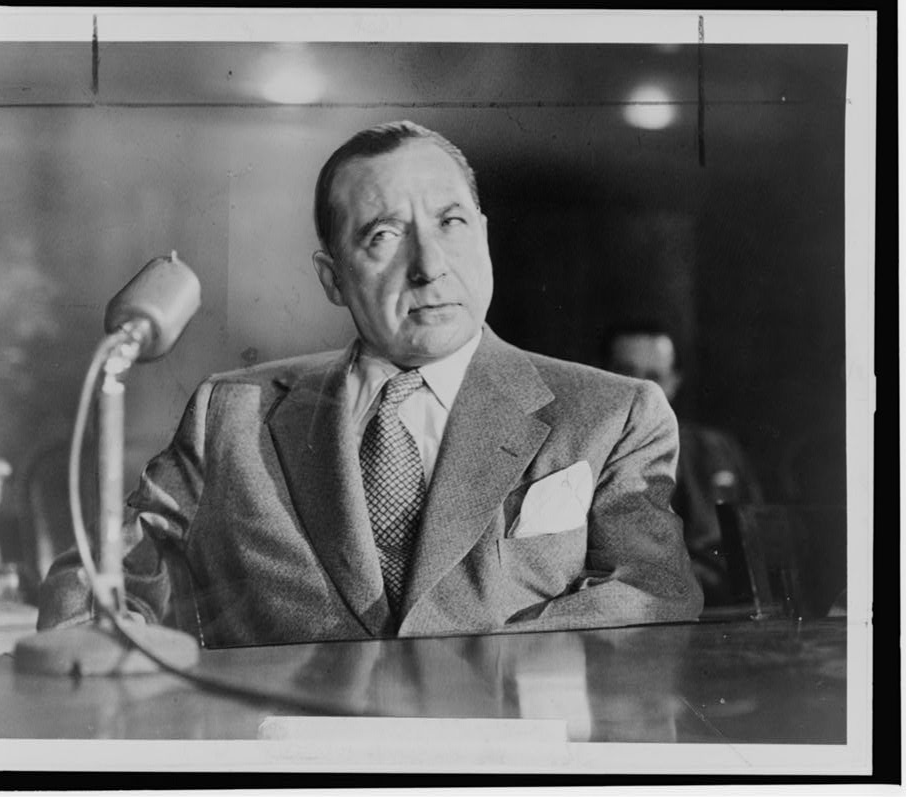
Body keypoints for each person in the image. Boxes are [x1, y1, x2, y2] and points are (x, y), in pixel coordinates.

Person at [38, 121, 702, 647]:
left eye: (451, 223)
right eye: (384, 235)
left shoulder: (614, 414)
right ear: (333, 277)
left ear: (485, 238)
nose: (429, 265)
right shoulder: (231, 414)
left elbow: (650, 599)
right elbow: (99, 575)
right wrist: (107, 652)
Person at [603, 324, 763, 606]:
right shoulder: (588, 456)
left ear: (674, 381)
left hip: (721, 613)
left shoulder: (716, 449)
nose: (643, 392)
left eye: (654, 377)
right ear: (602, 376)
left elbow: (757, 544)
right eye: (625, 374)